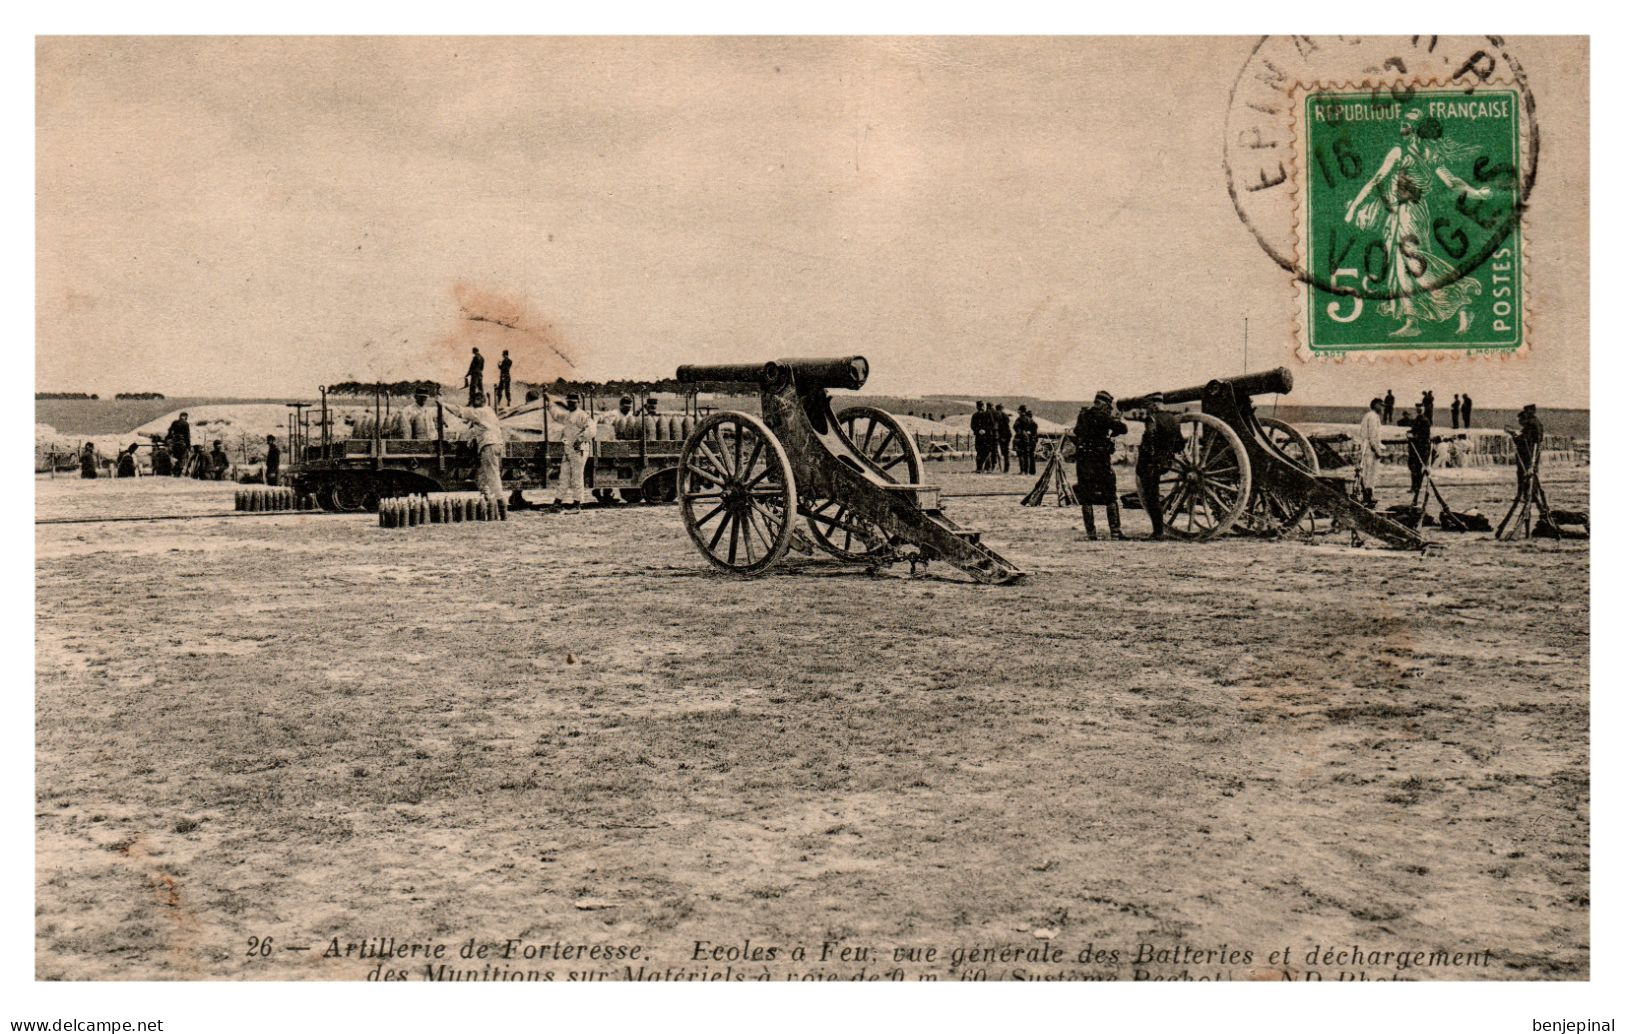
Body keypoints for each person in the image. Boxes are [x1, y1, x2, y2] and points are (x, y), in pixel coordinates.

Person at [1073, 391, 1128, 540]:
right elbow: (1123, 428)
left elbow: (1076, 431)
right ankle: (1115, 532)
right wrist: (1114, 423)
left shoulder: (1083, 415)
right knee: (1110, 494)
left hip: (1084, 460)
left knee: (1086, 497)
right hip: (1100, 459)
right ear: (1104, 404)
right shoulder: (1103, 417)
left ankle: (1091, 533)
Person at [439, 389, 506, 501]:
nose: (473, 402)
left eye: (475, 399)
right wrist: (473, 437)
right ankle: (487, 498)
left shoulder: (480, 411)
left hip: (489, 444)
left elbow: (460, 411)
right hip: (495, 444)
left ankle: (500, 500)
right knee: (482, 474)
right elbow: (481, 428)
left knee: (492, 473)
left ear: (480, 400)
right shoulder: (489, 410)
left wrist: (443, 403)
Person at [1135, 393, 1184, 540]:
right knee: (1154, 495)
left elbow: (1149, 437)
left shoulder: (1152, 419)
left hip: (1150, 463)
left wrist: (1147, 454)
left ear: (1154, 405)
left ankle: (1158, 532)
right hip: (1165, 463)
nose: (1147, 410)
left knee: (1151, 497)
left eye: (1148, 406)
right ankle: (1159, 530)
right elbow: (1180, 444)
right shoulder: (1173, 419)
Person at [552, 392, 596, 512]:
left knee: (577, 476)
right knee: (564, 476)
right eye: (569, 402)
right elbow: (557, 417)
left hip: (579, 448)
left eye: (573, 402)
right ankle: (557, 502)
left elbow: (591, 430)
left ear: (578, 402)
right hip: (568, 449)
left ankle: (577, 503)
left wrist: (580, 439)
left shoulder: (583, 415)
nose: (571, 404)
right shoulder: (567, 415)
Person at [1355, 397, 1386, 508]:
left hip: (1367, 447)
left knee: (1368, 473)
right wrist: (1378, 451)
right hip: (1369, 449)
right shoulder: (1372, 417)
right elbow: (1372, 437)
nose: (1383, 407)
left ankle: (1368, 496)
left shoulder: (1371, 416)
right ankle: (1368, 496)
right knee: (1370, 473)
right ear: (1376, 405)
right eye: (1381, 405)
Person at [1509, 404, 1545, 495]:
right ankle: (1531, 493)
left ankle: (1526, 494)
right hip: (1532, 453)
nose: (1519, 422)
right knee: (1531, 473)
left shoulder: (1531, 425)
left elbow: (1524, 440)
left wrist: (1514, 436)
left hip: (1528, 454)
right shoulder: (1536, 424)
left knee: (1525, 473)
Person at [1406, 406, 1433, 499]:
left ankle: (1417, 487)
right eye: (1417, 408)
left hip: (1421, 449)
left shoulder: (1425, 421)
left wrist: (1413, 437)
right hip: (1414, 449)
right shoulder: (1417, 420)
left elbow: (1425, 436)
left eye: (1420, 409)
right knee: (1413, 467)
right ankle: (1414, 486)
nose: (1419, 410)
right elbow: (1414, 430)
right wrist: (1409, 433)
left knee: (1419, 469)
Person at [1013, 406, 1039, 475]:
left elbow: (1015, 427)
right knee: (1027, 455)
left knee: (1021, 454)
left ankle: (1022, 470)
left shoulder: (1019, 419)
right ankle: (1027, 471)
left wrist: (1019, 434)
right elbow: (1034, 427)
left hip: (1021, 438)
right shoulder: (1029, 419)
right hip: (1028, 439)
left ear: (1020, 411)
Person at [166, 412, 191, 477]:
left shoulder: (174, 422)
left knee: (175, 457)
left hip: (174, 443)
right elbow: (187, 436)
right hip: (182, 444)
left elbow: (169, 432)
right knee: (182, 458)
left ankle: (174, 471)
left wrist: (168, 440)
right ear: (185, 416)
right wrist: (188, 446)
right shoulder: (186, 423)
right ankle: (178, 473)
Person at [971, 402, 990, 472]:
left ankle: (984, 468)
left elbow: (991, 425)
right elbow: (972, 425)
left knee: (985, 452)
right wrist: (979, 430)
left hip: (985, 436)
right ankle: (980, 468)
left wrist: (983, 430)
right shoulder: (975, 415)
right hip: (981, 437)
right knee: (981, 452)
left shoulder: (987, 415)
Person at [994, 403, 1013, 473]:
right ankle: (1006, 469)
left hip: (1001, 435)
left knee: (998, 452)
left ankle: (1000, 467)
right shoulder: (1005, 415)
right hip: (1006, 435)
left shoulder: (996, 414)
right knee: (1006, 453)